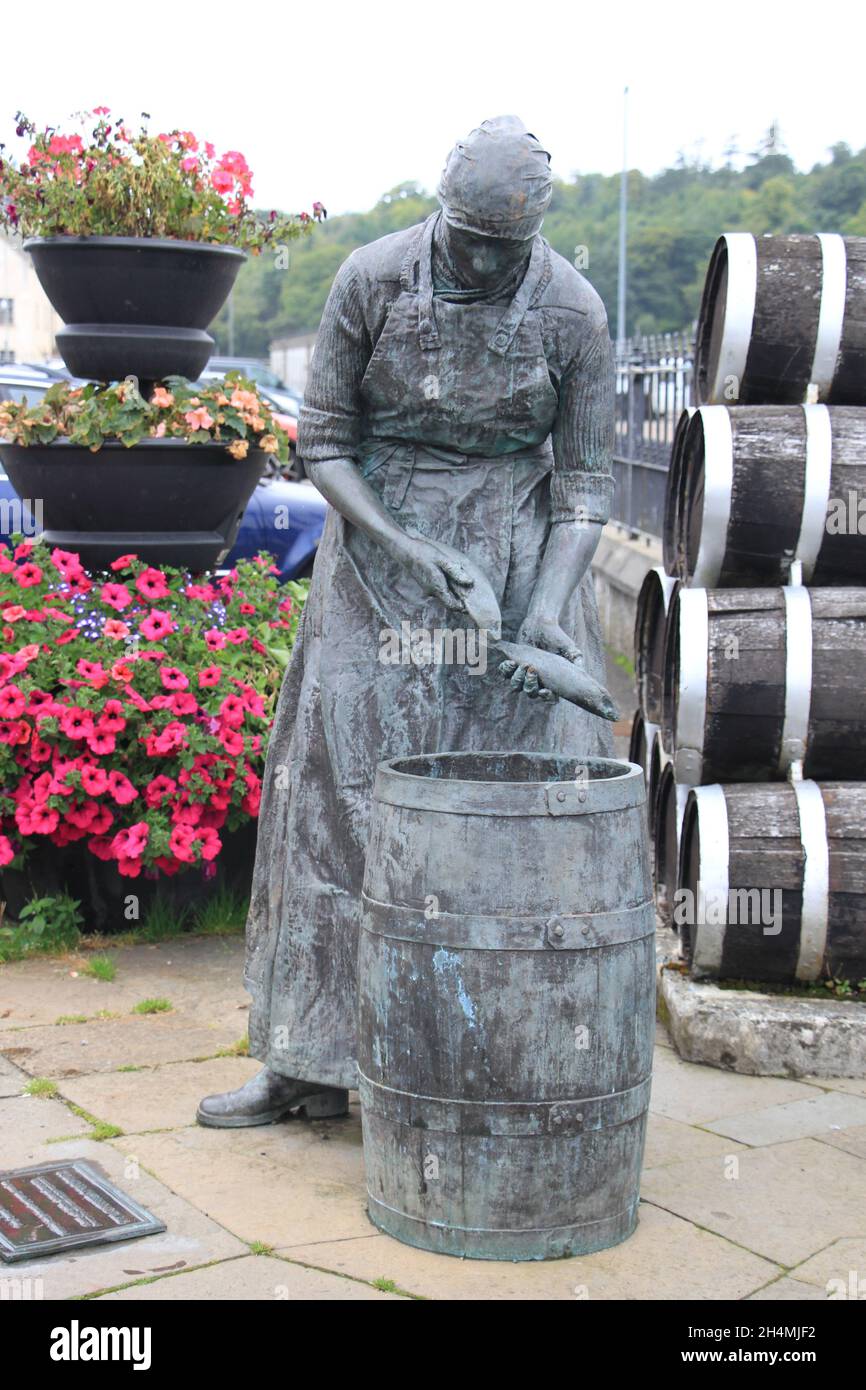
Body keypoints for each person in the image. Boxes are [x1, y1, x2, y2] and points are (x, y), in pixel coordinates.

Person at [197, 116, 616, 1128]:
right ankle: (307, 1056)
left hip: (515, 573)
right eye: (467, 236)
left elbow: (586, 484)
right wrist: (400, 542)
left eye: (501, 248)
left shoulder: (573, 310)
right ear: (441, 209)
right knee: (337, 807)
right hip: (376, 567)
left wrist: (547, 610)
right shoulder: (373, 279)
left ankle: (502, 1065)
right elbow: (327, 441)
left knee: (519, 818)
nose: (480, 261)